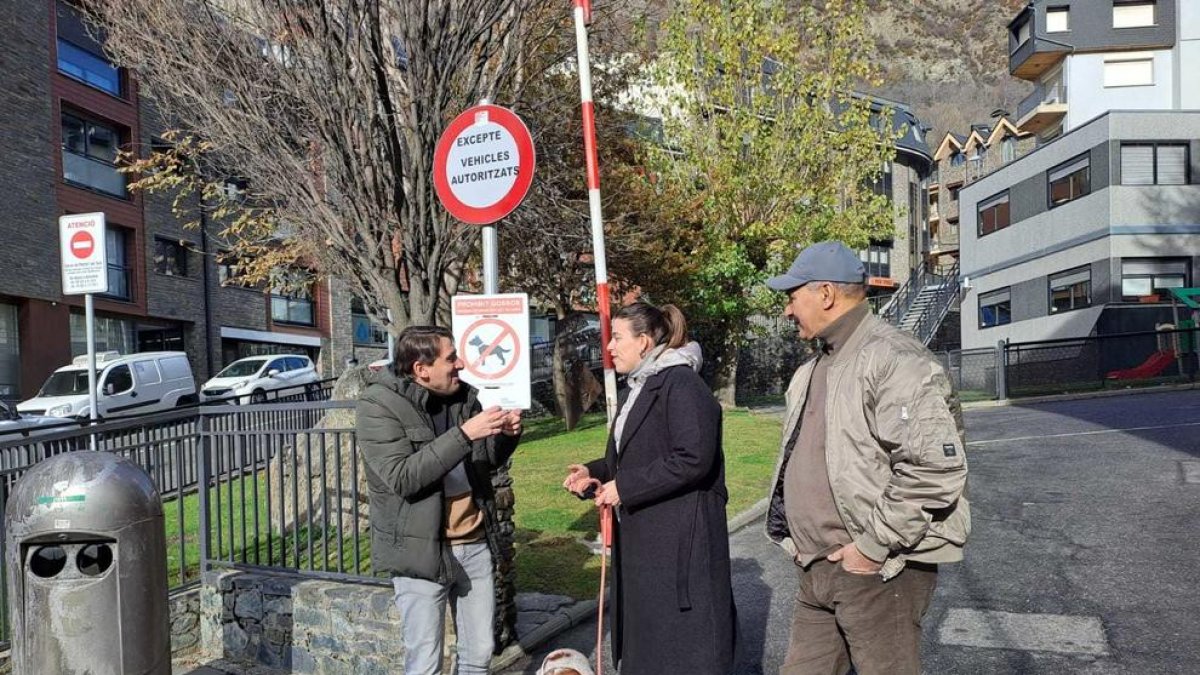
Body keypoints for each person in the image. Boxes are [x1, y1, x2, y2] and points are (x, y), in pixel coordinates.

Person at [762, 241, 970, 675]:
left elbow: (934, 468)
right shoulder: (812, 369)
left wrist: (873, 548)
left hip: (876, 570)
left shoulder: (894, 358)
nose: (787, 310)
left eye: (791, 296)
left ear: (825, 294)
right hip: (816, 567)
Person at [563, 303, 736, 675]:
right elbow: (635, 454)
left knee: (679, 650)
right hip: (648, 539)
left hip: (679, 543)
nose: (608, 347)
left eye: (617, 338)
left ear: (644, 342)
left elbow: (694, 458)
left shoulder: (681, 383)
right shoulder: (639, 386)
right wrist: (593, 473)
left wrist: (624, 487)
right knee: (648, 644)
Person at [356, 325, 522, 675]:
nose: (460, 364)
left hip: (474, 543)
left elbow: (484, 459)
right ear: (421, 368)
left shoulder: (462, 397)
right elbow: (403, 477)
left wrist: (506, 437)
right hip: (422, 554)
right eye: (451, 358)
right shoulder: (377, 406)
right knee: (425, 663)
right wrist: (463, 435)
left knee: (478, 654)